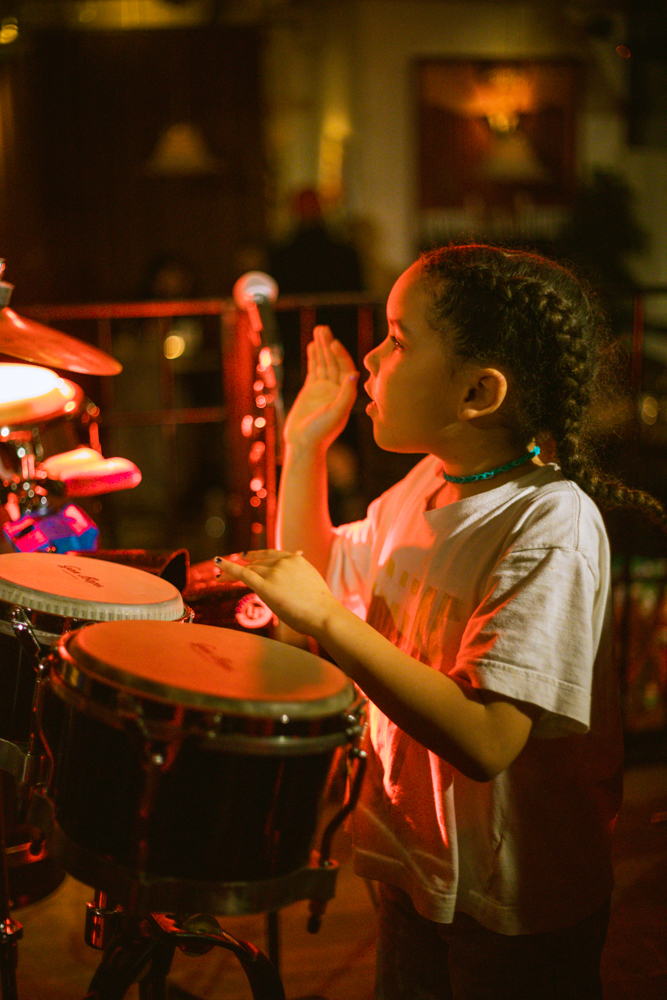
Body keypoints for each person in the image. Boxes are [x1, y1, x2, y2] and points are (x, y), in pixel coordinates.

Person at [216, 244, 666, 999]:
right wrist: (304, 446)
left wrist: (325, 618)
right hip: (414, 863)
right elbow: (320, 570)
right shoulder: (429, 484)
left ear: (478, 392)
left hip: (514, 901)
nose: (370, 356)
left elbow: (488, 738)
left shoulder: (548, 524)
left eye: (398, 340)